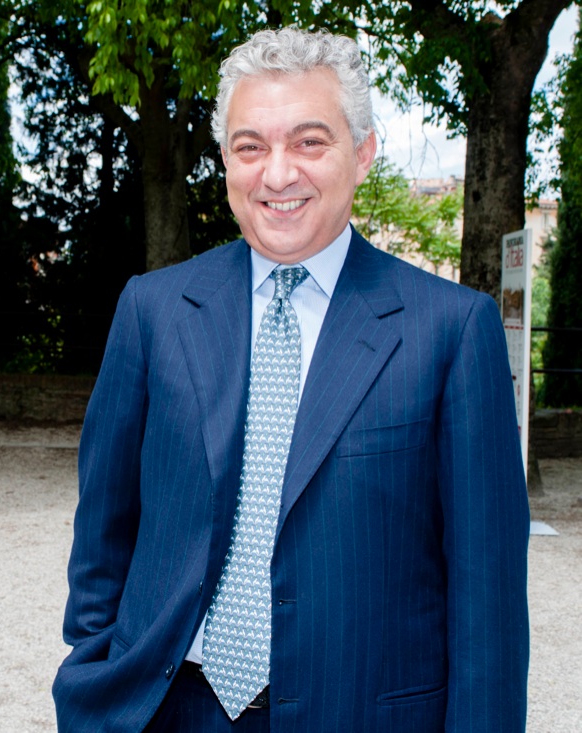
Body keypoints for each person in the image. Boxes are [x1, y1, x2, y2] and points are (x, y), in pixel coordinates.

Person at [53, 26, 529, 733]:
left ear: (362, 154)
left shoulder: (452, 330)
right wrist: (93, 675)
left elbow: (488, 603)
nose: (277, 175)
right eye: (251, 147)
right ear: (225, 160)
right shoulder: (153, 311)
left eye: (309, 142)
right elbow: (104, 532)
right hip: (168, 710)